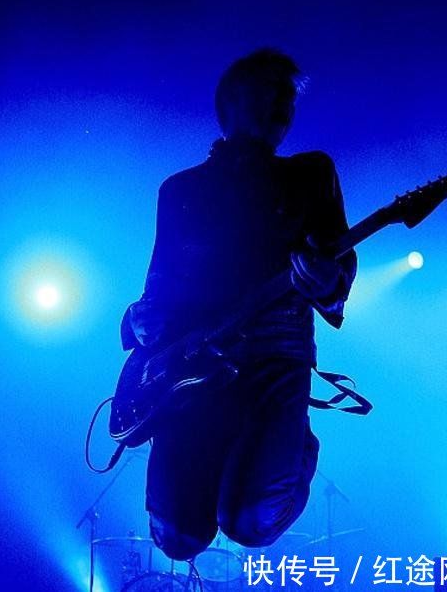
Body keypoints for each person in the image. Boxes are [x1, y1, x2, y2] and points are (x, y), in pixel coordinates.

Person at [120, 48, 357, 561]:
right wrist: (139, 320)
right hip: (191, 369)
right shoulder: (180, 191)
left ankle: (294, 444)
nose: (284, 106)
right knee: (177, 535)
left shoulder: (311, 174)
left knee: (251, 521)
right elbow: (158, 285)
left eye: (289, 98)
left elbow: (340, 267)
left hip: (273, 361)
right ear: (230, 102)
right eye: (271, 92)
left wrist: (327, 281)